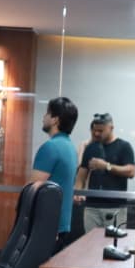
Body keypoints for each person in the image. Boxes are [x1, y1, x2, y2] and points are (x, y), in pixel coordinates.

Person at [31, 96, 79, 251]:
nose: (43, 117)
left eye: (47, 113)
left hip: (47, 226)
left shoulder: (50, 147)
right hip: (61, 225)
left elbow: (33, 189)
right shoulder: (70, 148)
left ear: (55, 120)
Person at [74, 113, 135, 232]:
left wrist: (106, 166)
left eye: (101, 131)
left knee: (113, 241)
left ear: (111, 128)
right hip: (92, 207)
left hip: (115, 207)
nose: (97, 133)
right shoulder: (91, 148)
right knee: (90, 241)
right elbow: (82, 175)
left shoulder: (124, 146)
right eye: (95, 130)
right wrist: (77, 191)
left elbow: (131, 171)